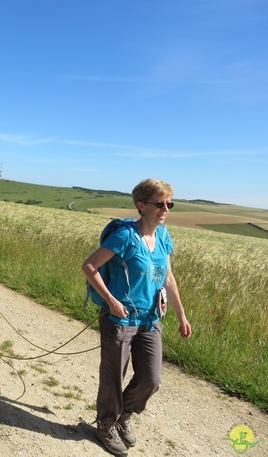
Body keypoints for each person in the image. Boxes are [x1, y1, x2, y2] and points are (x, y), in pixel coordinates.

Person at [81, 178, 192, 457]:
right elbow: (90, 266)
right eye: (159, 203)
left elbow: (168, 277)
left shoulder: (164, 236)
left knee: (151, 379)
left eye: (169, 203)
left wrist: (181, 315)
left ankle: (123, 416)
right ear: (142, 206)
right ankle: (106, 425)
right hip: (119, 319)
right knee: (112, 378)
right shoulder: (125, 236)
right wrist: (111, 301)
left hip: (151, 319)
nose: (165, 208)